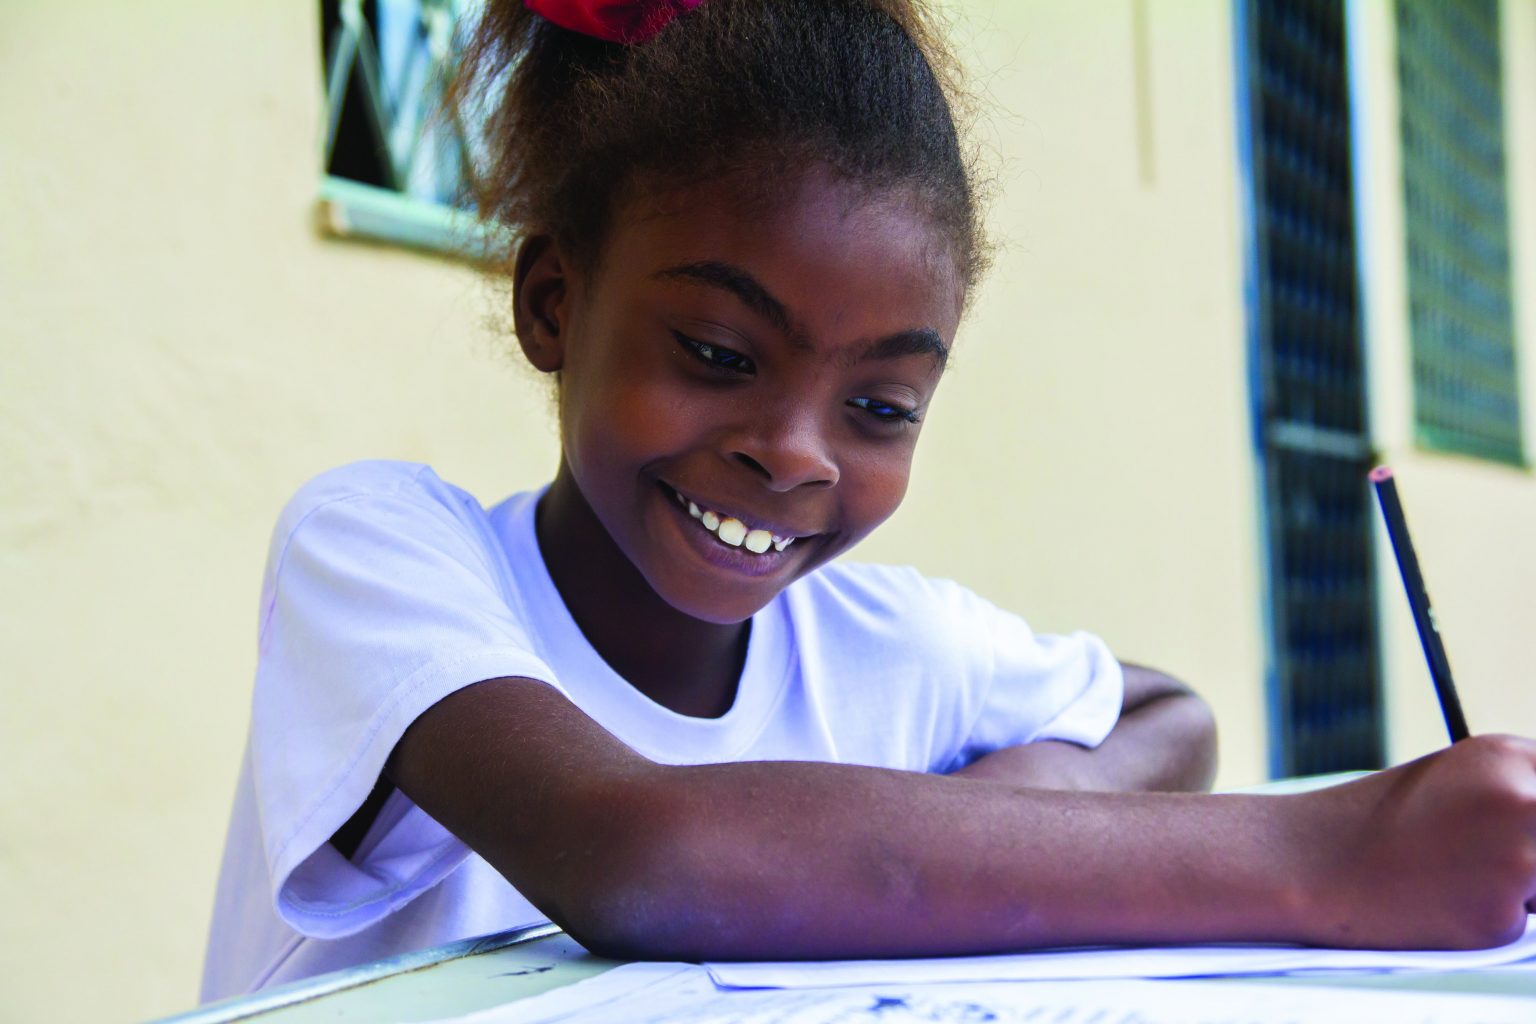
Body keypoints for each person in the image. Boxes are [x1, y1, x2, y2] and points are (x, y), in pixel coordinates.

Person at [201, 0, 1536, 1002]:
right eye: (719, 355)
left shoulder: (884, 647)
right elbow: (636, 854)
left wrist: (998, 818)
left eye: (882, 407)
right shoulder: (387, 554)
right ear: (554, 302)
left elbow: (1166, 716)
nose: (797, 455)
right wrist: (1330, 855)